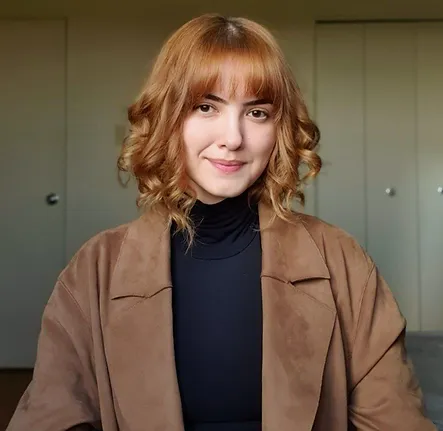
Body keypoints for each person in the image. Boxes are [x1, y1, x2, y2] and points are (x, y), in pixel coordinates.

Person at [7, 13, 437, 431]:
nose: (233, 138)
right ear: (167, 117)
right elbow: (52, 416)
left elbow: (394, 418)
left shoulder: (339, 259)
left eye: (257, 112)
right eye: (206, 107)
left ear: (279, 128)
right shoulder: (95, 269)